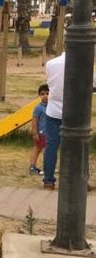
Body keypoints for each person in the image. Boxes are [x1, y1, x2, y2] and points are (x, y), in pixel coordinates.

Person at [41, 50, 96, 190]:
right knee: (80, 145)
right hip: (76, 112)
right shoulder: (84, 64)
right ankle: (81, 180)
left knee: (52, 145)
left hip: (54, 110)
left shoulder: (51, 64)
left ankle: (48, 180)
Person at [29, 84, 49, 176]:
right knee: (38, 148)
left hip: (50, 132)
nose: (45, 96)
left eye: (47, 93)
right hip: (41, 133)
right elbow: (34, 121)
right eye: (42, 94)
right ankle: (32, 167)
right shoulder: (38, 108)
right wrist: (35, 133)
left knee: (49, 150)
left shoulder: (52, 106)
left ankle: (49, 166)